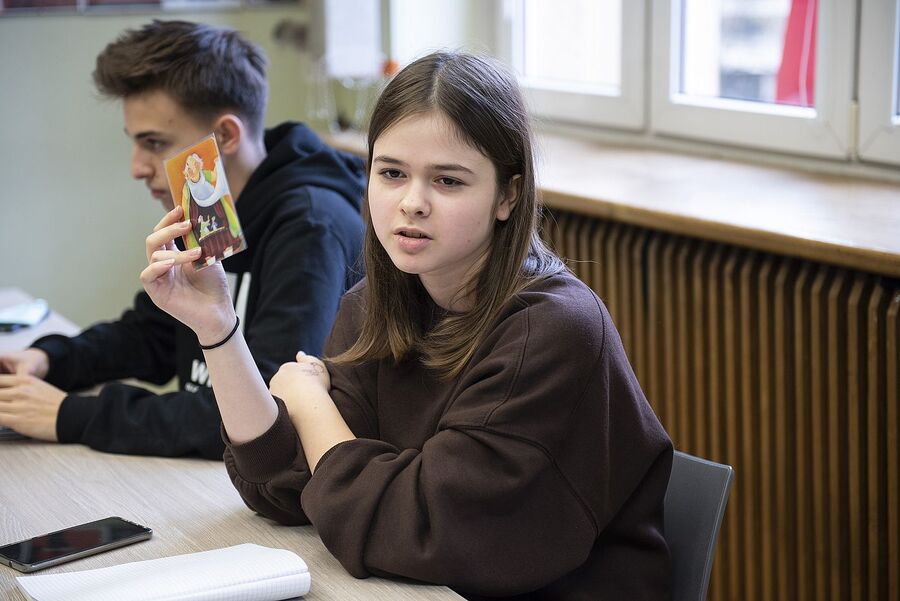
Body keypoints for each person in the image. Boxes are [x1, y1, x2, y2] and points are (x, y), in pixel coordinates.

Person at [138, 51, 672, 599]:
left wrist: (311, 403)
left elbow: (423, 531)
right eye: (391, 173)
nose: (412, 203)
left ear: (508, 195)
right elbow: (286, 488)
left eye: (448, 181)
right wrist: (218, 327)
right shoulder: (375, 304)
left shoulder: (554, 329)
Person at [0, 20, 365, 459]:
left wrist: (71, 415)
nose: (137, 166)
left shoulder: (311, 226)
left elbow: (267, 412)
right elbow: (157, 334)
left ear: (226, 135)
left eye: (154, 142)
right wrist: (51, 360)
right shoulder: (213, 206)